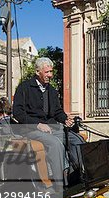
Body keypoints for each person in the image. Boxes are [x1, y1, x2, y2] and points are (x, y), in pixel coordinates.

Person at [13, 57, 84, 188]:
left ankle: (79, 176)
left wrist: (65, 119)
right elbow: (18, 113)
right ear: (37, 71)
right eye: (47, 72)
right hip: (31, 130)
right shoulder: (24, 88)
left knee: (77, 140)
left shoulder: (52, 90)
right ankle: (60, 184)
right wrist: (37, 124)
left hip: (52, 128)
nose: (50, 75)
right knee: (55, 144)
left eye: (51, 72)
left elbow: (57, 111)